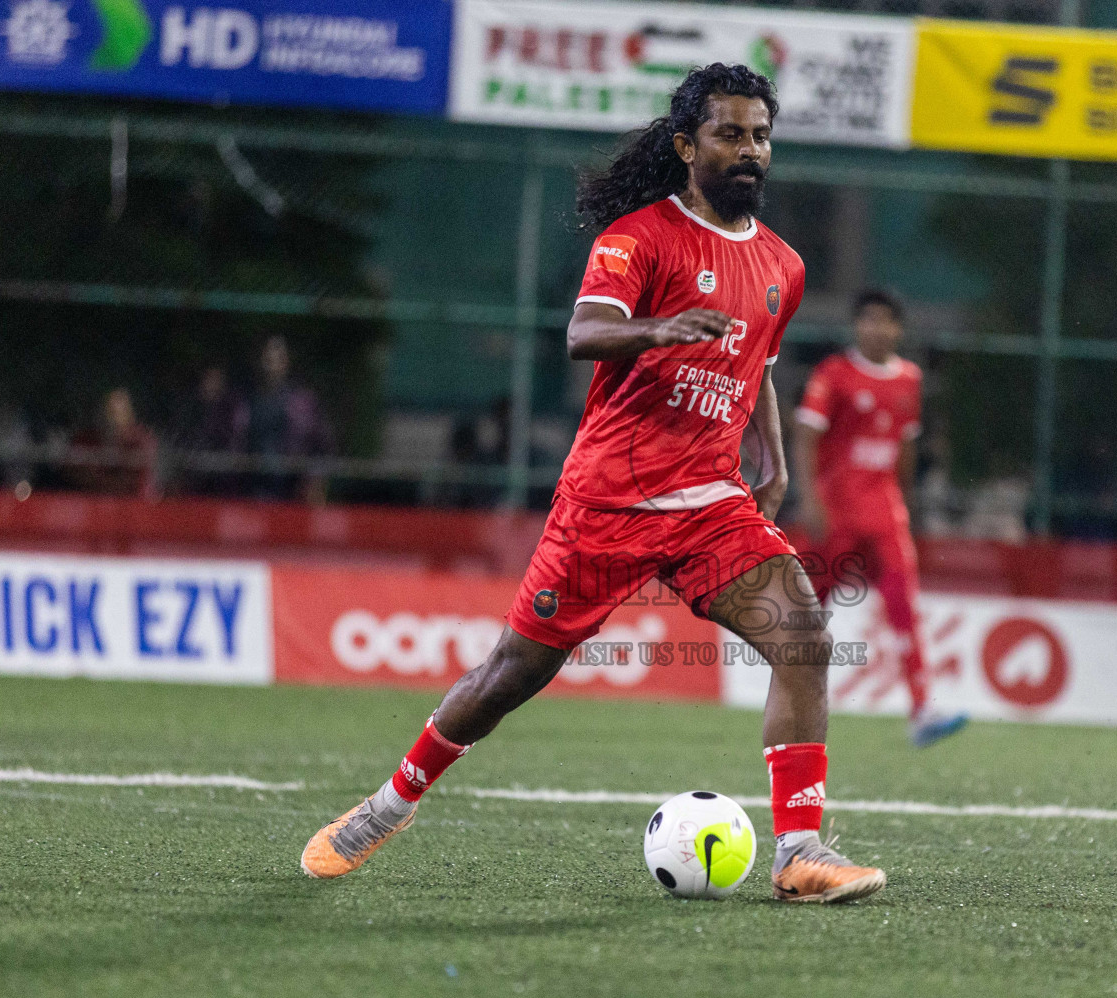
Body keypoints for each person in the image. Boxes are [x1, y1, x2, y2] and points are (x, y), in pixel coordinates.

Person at [301, 64, 887, 905]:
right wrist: (661, 328)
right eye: (729, 133)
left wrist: (775, 453)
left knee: (804, 637)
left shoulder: (782, 264)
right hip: (608, 504)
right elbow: (586, 331)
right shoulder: (639, 238)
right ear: (688, 146)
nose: (749, 149)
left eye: (760, 134)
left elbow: (755, 356)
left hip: (711, 504)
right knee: (510, 676)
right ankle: (389, 804)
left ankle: (799, 853)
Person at [794, 290, 967, 746]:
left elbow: (906, 448)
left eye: (885, 321)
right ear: (856, 326)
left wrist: (903, 503)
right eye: (868, 320)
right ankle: (790, 696)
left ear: (898, 329)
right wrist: (811, 499)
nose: (876, 329)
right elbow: (806, 436)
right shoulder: (834, 374)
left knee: (903, 604)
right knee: (813, 606)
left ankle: (922, 709)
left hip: (884, 509)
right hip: (838, 509)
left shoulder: (909, 378)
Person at [241, 336, 333, 502]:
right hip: (250, 490)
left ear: (286, 362)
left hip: (291, 491)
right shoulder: (244, 401)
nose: (271, 365)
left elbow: (322, 446)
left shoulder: (303, 402)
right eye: (268, 359)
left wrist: (314, 480)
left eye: (277, 359)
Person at [170, 366, 245, 496]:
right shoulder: (190, 409)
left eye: (215, 380)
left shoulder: (230, 409)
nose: (210, 384)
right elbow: (180, 440)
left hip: (222, 483)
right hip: (193, 481)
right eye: (208, 379)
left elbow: (234, 443)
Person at [68, 388, 157, 498]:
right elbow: (76, 475)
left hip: (134, 504)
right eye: (107, 412)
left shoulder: (140, 441)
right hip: (92, 503)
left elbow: (138, 478)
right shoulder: (86, 440)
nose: (110, 418)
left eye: (116, 413)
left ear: (128, 413)